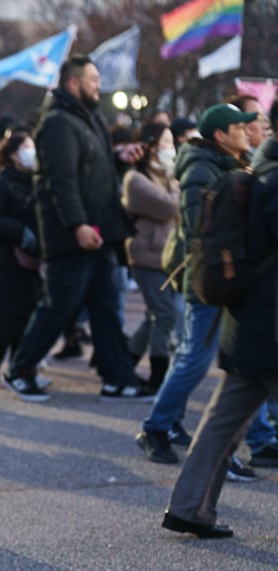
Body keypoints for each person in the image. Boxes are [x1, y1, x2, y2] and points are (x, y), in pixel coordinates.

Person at [136, 103, 278, 472]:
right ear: (220, 135)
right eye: (239, 127)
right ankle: (155, 428)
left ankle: (260, 440)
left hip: (231, 276)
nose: (247, 132)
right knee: (193, 361)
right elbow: (204, 229)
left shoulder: (229, 162)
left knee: (246, 367)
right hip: (211, 279)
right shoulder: (202, 168)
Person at [2, 55, 151, 402]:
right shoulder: (57, 122)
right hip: (73, 237)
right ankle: (20, 370)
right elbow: (62, 181)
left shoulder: (88, 117)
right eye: (93, 79)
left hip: (101, 234)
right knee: (59, 306)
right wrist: (79, 224)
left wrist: (118, 156)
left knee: (107, 309)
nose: (99, 85)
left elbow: (90, 168)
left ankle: (118, 378)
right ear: (73, 83)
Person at [161, 135, 278, 539]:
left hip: (246, 325)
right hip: (273, 327)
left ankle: (189, 507)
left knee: (221, 422)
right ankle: (190, 507)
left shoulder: (250, 176)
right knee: (222, 421)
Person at [121, 121, 179, 391]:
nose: (172, 149)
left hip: (167, 257)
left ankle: (125, 364)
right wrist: (177, 182)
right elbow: (169, 207)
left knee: (153, 316)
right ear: (151, 147)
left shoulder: (165, 176)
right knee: (164, 315)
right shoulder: (136, 179)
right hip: (147, 256)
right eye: (166, 143)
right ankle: (158, 378)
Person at [0, 129, 41, 380]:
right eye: (27, 147)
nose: (32, 152)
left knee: (27, 314)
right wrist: (19, 231)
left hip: (28, 259)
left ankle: (22, 368)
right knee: (6, 313)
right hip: (5, 259)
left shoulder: (34, 181)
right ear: (15, 155)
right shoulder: (3, 183)